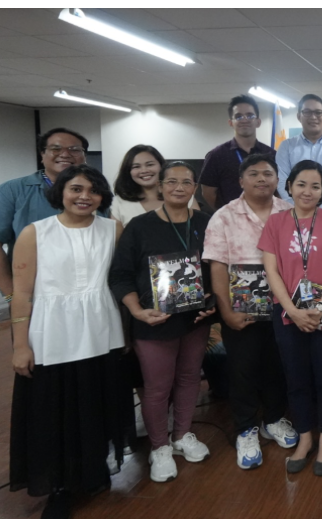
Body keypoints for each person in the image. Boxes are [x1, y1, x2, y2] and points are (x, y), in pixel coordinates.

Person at [7, 164, 124, 518]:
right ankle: (57, 485)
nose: (84, 196)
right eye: (76, 189)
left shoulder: (113, 229)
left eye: (93, 190)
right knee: (53, 411)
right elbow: (22, 294)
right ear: (60, 192)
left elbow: (121, 281)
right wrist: (20, 345)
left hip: (102, 330)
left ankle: (92, 471)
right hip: (51, 334)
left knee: (95, 403)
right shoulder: (35, 233)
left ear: (102, 195)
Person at [108, 161, 218, 483]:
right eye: (172, 182)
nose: (179, 188)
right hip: (153, 322)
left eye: (186, 182)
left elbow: (214, 269)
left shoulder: (206, 222)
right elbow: (120, 275)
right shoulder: (140, 227)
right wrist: (137, 311)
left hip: (195, 319)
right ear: (160, 186)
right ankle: (159, 447)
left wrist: (211, 301)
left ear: (195, 188)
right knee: (157, 388)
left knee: (188, 379)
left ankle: (182, 435)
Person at [203, 154, 300, 470]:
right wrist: (225, 311)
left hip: (284, 307)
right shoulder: (223, 217)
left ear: (277, 180)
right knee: (243, 369)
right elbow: (217, 265)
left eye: (268, 173)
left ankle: (273, 419)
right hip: (240, 310)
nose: (262, 179)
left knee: (278, 365)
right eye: (254, 174)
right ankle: (246, 428)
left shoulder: (291, 211)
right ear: (241, 180)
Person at [259, 160, 322, 477]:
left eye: (315, 185)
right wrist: (293, 310)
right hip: (287, 312)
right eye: (301, 184)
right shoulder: (275, 223)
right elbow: (270, 270)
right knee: (296, 378)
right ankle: (305, 438)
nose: (307, 191)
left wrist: (321, 309)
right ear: (289, 187)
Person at [0, 128, 102, 306]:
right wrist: (13, 296)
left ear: (84, 156)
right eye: (55, 149)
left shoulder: (98, 193)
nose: (65, 154)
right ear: (42, 155)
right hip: (36, 297)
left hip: (93, 294)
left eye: (74, 149)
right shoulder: (12, 191)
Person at [201, 94, 276, 209]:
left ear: (258, 122)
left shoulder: (271, 154)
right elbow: (208, 192)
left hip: (266, 219)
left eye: (250, 116)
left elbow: (277, 189)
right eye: (239, 116)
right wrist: (227, 213)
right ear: (231, 122)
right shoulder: (216, 155)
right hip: (229, 221)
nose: (244, 120)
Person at [276, 94, 322, 209]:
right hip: (294, 211)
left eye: (318, 112)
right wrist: (296, 206)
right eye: (307, 112)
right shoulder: (286, 146)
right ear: (298, 116)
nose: (313, 117)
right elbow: (281, 180)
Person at [111, 145, 200, 226]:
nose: (144, 170)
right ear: (128, 172)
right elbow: (117, 242)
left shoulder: (182, 196)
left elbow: (199, 230)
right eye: (136, 167)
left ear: (161, 166)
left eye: (150, 164)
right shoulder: (120, 202)